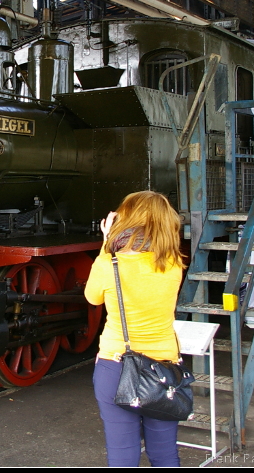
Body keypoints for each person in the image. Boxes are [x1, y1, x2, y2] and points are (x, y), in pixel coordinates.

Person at [85, 190, 185, 467]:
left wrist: (107, 245)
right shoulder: (174, 264)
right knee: (165, 454)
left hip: (116, 366)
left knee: (123, 455)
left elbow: (92, 298)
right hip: (164, 367)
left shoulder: (109, 263)